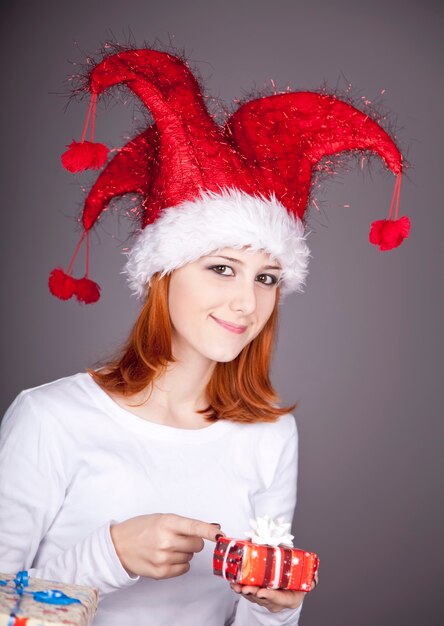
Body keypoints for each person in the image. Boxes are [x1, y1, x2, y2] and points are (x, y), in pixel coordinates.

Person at [0, 46, 408, 625]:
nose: (248, 302)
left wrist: (275, 609)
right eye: (222, 268)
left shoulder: (271, 436)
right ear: (164, 274)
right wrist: (106, 555)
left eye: (267, 278)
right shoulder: (49, 419)